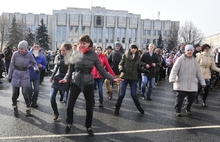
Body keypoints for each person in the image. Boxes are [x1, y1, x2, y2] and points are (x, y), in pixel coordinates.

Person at [59, 35, 123, 136]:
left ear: (89, 43)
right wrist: (66, 78)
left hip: (88, 83)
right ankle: (69, 123)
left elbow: (101, 70)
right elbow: (70, 70)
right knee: (69, 106)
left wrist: (113, 78)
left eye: (84, 43)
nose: (82, 45)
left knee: (89, 108)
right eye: (80, 43)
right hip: (75, 82)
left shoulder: (93, 55)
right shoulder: (75, 53)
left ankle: (88, 127)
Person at [169, 45, 205, 117]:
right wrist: (172, 79)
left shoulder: (194, 60)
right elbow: (174, 69)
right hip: (181, 81)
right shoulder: (180, 59)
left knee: (193, 96)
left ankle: (187, 107)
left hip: (192, 82)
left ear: (193, 51)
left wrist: (202, 82)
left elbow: (198, 72)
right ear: (185, 51)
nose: (189, 52)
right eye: (188, 50)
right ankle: (177, 110)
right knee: (180, 97)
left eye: (191, 50)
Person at [8, 40, 39, 116]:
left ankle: (28, 108)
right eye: (19, 49)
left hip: (25, 74)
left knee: (25, 93)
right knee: (14, 93)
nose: (21, 50)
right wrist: (9, 76)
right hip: (16, 74)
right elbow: (11, 65)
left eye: (22, 49)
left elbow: (34, 63)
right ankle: (15, 107)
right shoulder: (15, 54)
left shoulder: (29, 54)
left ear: (26, 49)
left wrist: (36, 69)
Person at [115, 43, 147, 115]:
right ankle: (117, 108)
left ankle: (139, 108)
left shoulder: (138, 57)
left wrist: (144, 70)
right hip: (125, 76)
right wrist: (121, 69)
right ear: (130, 48)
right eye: (132, 48)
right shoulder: (125, 55)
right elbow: (120, 64)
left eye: (135, 48)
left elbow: (138, 67)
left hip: (133, 78)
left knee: (133, 94)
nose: (133, 50)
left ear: (136, 49)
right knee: (122, 94)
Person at [50, 43, 72, 121]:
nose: (62, 52)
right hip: (57, 78)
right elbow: (56, 68)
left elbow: (71, 70)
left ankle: (69, 115)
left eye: (64, 50)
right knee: (52, 98)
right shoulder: (58, 57)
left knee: (66, 100)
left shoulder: (71, 58)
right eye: (61, 50)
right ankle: (56, 112)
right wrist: (52, 77)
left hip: (67, 79)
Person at [28, 42, 47, 108]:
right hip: (28, 75)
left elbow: (45, 66)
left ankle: (34, 101)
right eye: (35, 46)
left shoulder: (42, 56)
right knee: (29, 89)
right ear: (32, 47)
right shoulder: (28, 54)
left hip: (36, 75)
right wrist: (28, 65)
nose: (36, 48)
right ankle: (29, 101)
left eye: (37, 47)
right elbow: (24, 62)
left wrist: (41, 66)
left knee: (37, 90)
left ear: (40, 48)